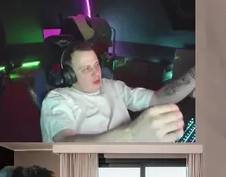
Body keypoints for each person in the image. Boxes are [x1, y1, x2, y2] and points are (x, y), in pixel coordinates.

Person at [39, 41, 193, 143]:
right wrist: (131, 135)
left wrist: (194, 75)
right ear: (69, 76)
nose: (96, 72)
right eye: (86, 69)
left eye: (96, 65)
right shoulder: (57, 99)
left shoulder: (113, 86)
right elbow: (65, 143)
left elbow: (157, 98)